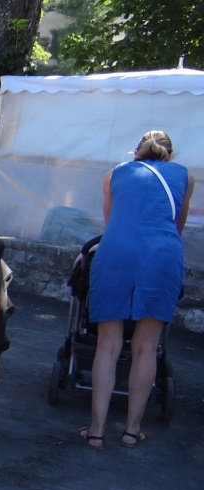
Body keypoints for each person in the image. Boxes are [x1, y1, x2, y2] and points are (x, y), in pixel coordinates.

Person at [79, 130, 196, 450]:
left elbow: (111, 221)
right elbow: (177, 224)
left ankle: (96, 432)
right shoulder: (186, 176)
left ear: (136, 152)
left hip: (117, 251)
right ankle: (131, 431)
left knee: (108, 345)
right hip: (161, 253)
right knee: (147, 346)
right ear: (169, 155)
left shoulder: (113, 175)